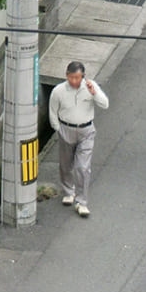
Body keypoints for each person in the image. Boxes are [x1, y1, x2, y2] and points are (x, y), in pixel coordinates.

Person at [48, 61, 109, 217]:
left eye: (78, 78)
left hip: (86, 130)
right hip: (66, 128)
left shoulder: (90, 87)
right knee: (65, 163)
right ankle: (69, 191)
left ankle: (82, 202)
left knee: (82, 167)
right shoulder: (58, 91)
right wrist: (58, 128)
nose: (75, 81)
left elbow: (105, 104)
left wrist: (94, 92)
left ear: (83, 76)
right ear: (67, 75)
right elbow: (53, 111)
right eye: (72, 77)